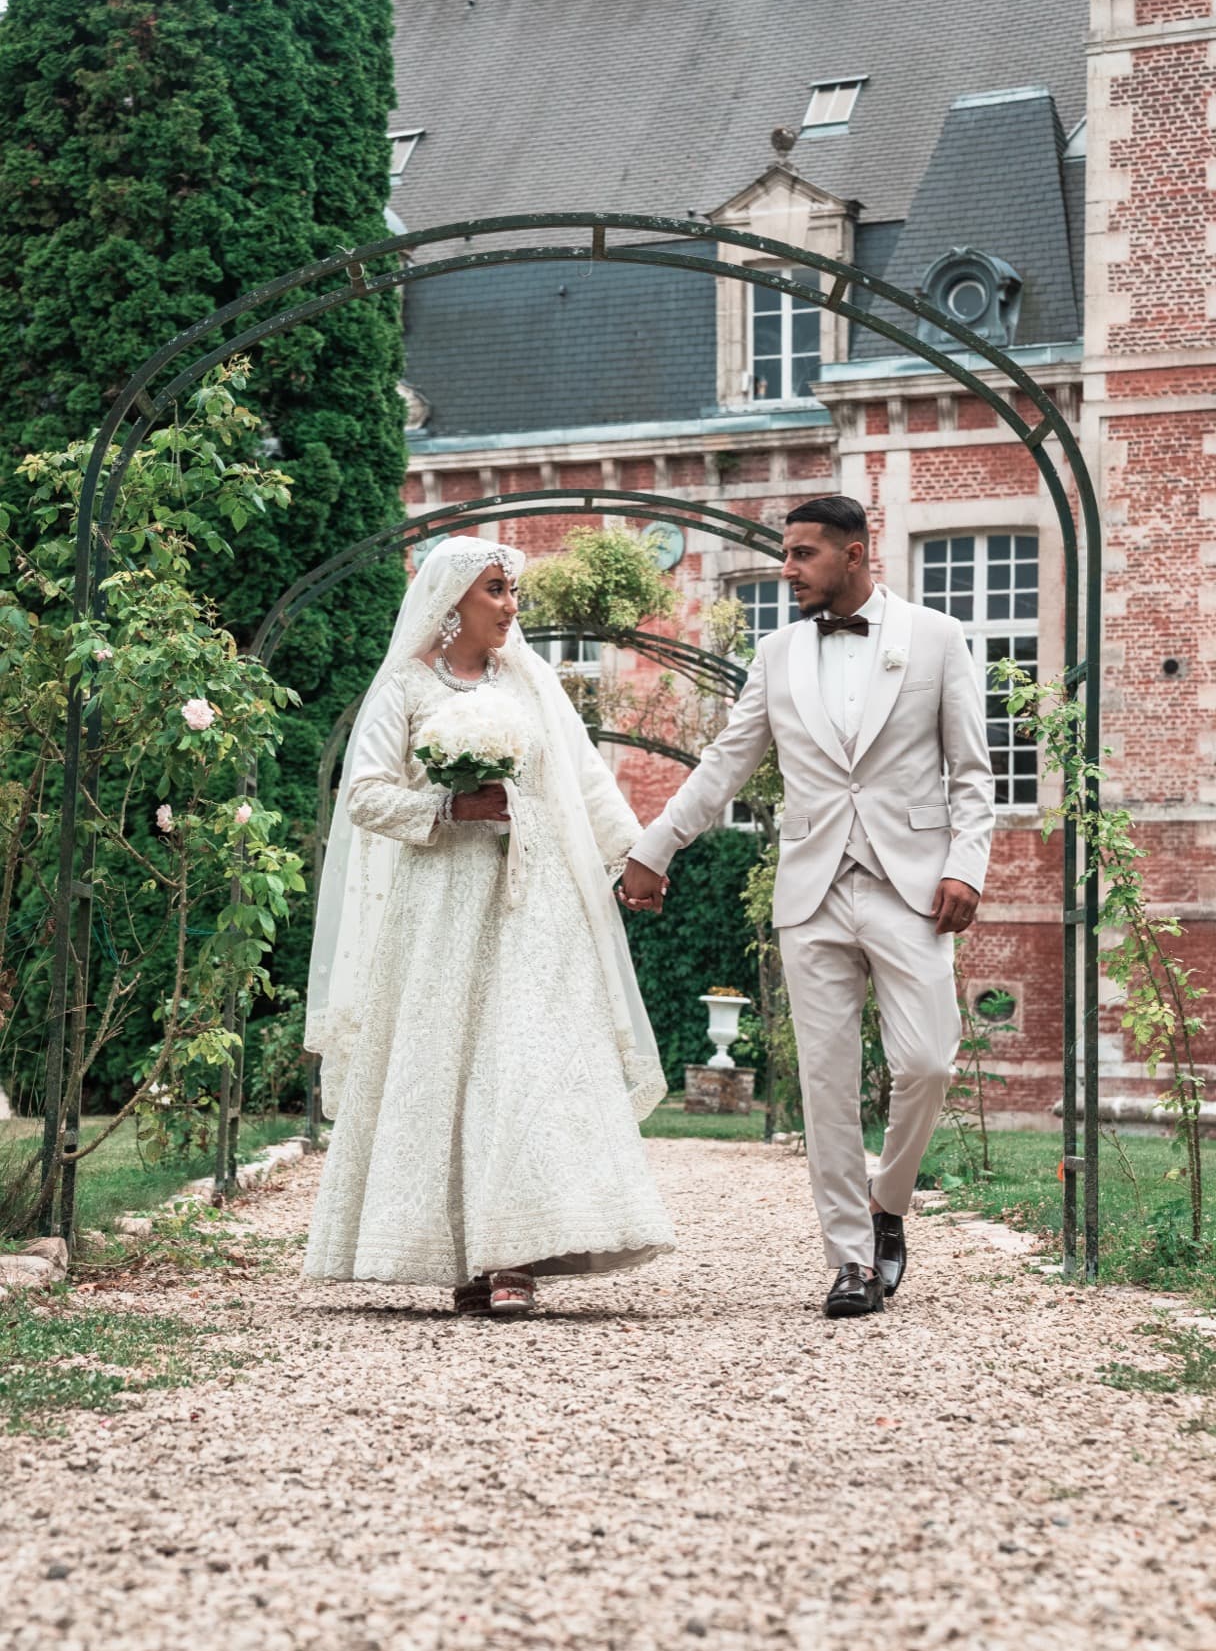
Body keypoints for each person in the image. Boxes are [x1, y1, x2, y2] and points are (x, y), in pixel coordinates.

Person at [620, 496, 994, 1320]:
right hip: (812, 888)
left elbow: (971, 769)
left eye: (800, 556)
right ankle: (851, 1263)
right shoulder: (776, 653)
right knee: (825, 1084)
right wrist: (654, 847)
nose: (786, 570)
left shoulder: (935, 638)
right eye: (784, 555)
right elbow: (725, 762)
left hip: (914, 887)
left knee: (927, 1062)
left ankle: (886, 1201)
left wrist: (967, 864)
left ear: (855, 555)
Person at [303, 535, 675, 1317]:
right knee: (448, 1063)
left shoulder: (532, 681)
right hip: (439, 902)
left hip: (535, 899)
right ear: (454, 600)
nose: (511, 608)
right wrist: (446, 806)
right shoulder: (405, 686)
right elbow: (364, 795)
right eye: (497, 591)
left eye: (513, 593)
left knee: (527, 1058)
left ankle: (514, 1255)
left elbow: (583, 777)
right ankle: (459, 1254)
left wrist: (633, 857)